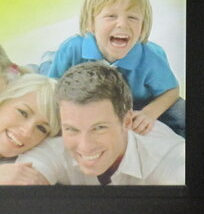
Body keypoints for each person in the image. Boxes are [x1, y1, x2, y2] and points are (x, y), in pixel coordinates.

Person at [44, 0, 184, 136]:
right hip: (88, 97)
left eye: (132, 17)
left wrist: (149, 113)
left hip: (137, 101)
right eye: (111, 16)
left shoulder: (149, 58)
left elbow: (172, 90)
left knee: (181, 112)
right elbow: (53, 85)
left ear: (143, 26)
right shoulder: (73, 48)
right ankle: (46, 60)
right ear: (91, 24)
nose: (122, 24)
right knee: (40, 80)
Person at [13, 61, 184, 185]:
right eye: (72, 129)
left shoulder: (170, 158)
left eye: (99, 128)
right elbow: (21, 180)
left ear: (127, 121)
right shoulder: (54, 146)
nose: (85, 146)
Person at [0, 73, 61, 184]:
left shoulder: (32, 169)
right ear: (3, 102)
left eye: (41, 128)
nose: (27, 132)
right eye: (23, 113)